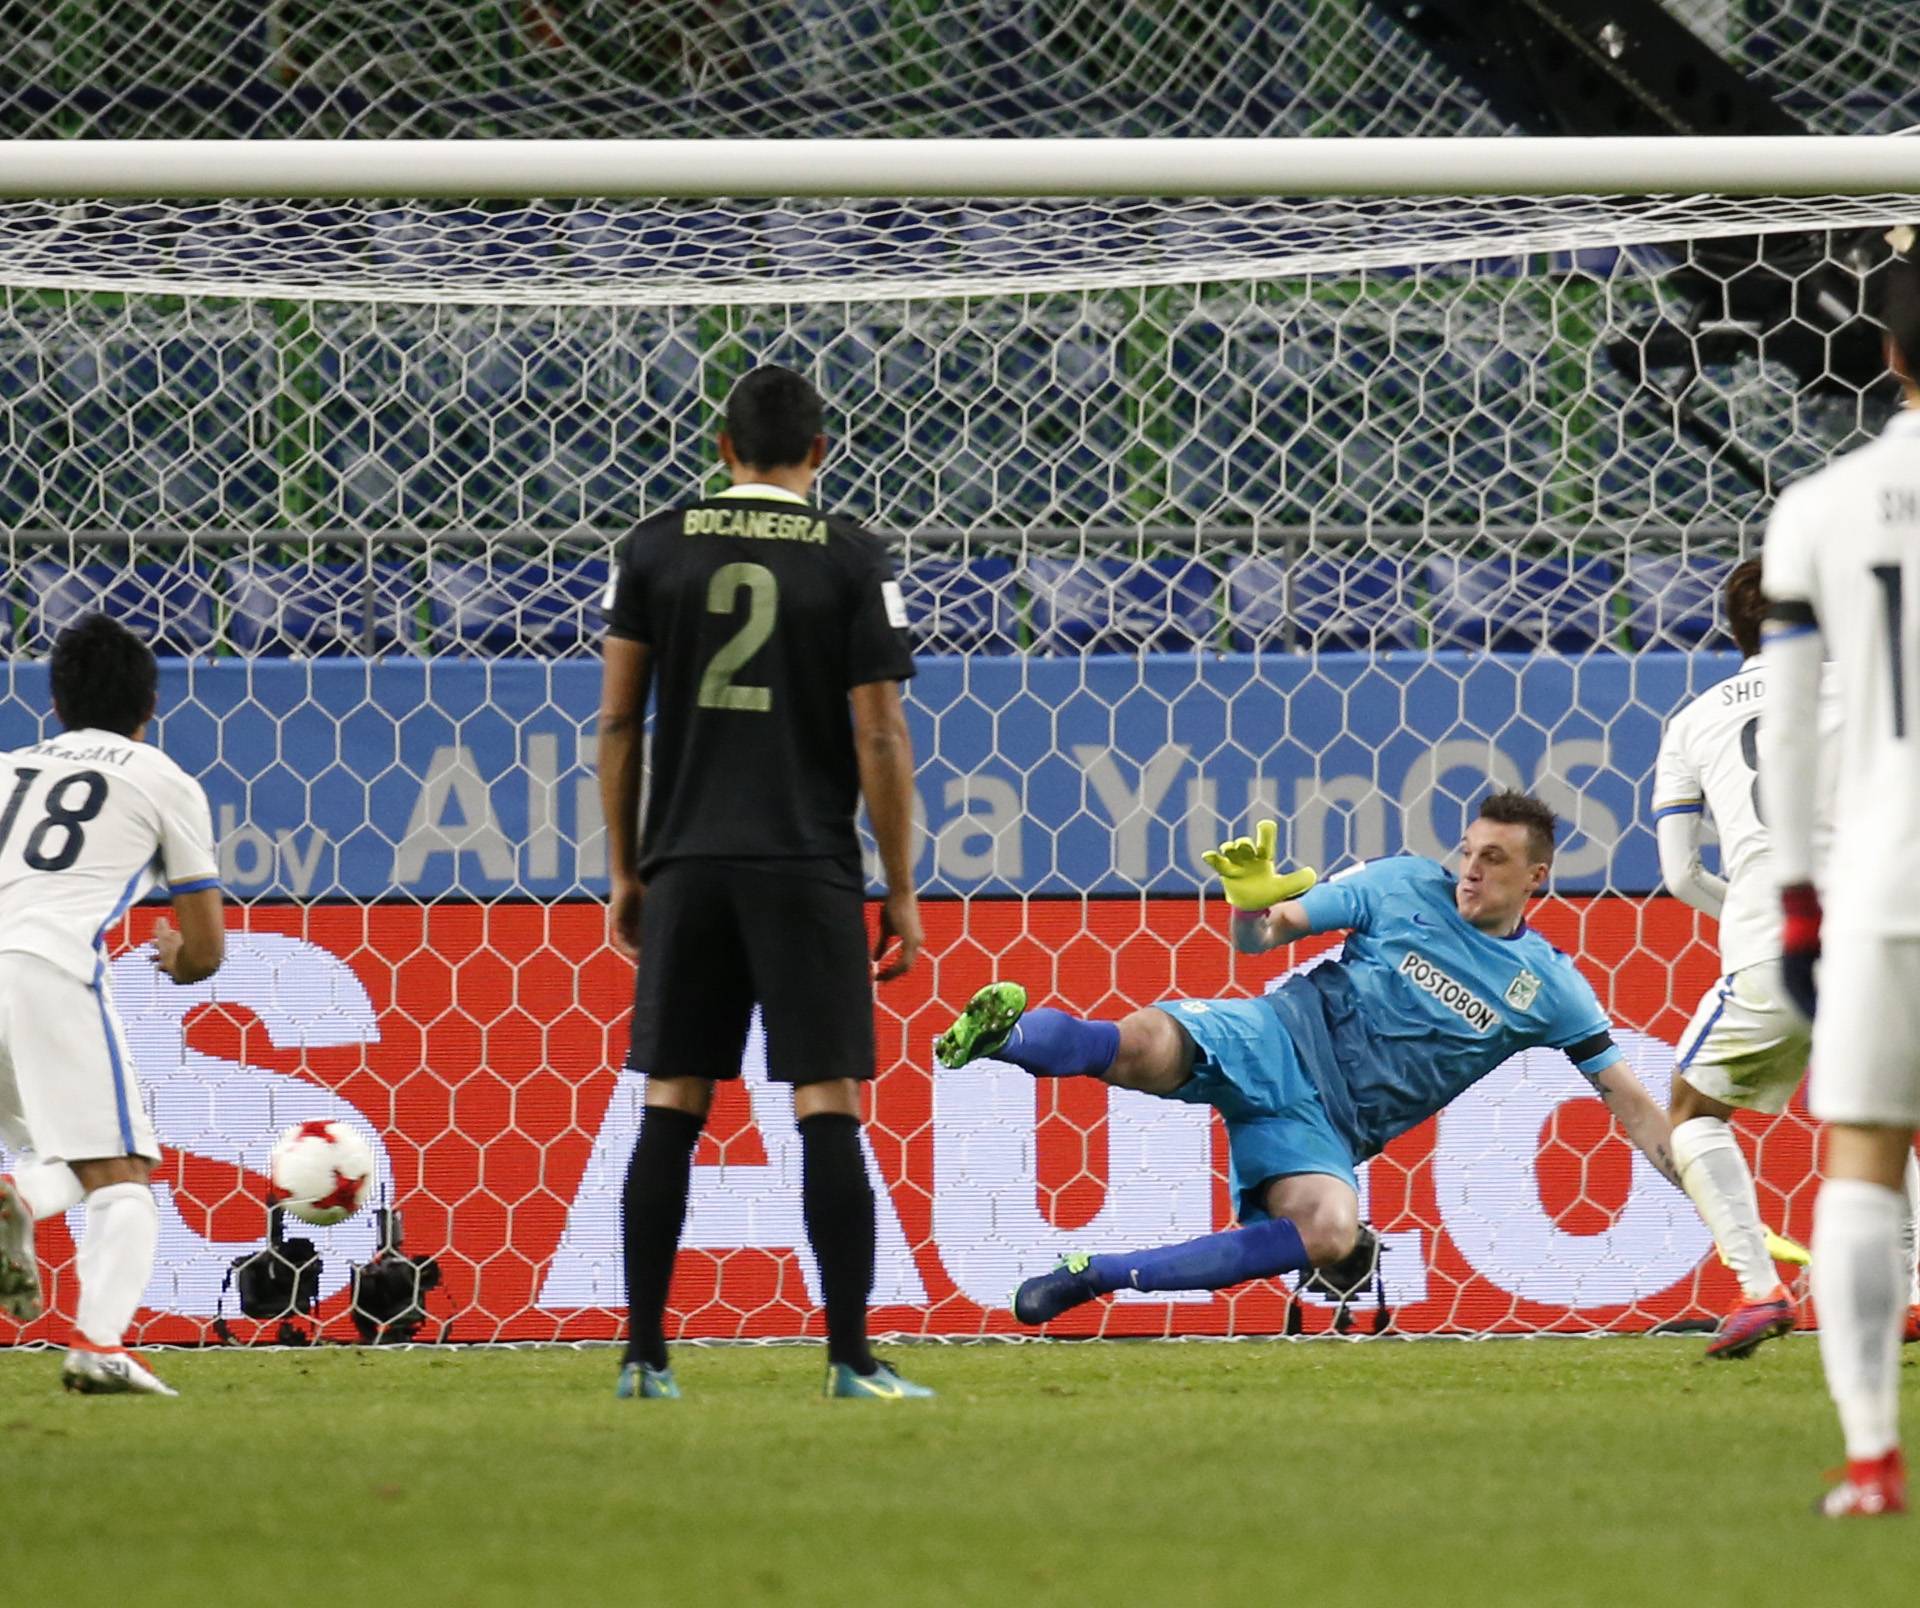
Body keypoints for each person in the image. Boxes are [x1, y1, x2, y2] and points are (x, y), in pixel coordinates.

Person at [936, 790, 1680, 1323]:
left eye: (1494, 859)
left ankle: (1090, 1277)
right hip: (1275, 1037)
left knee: (1330, 1231)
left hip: (1327, 1128)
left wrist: (1703, 1179)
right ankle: (1008, 1037)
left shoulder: (1551, 988)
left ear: (1536, 878)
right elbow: (1267, 936)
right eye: (1467, 852)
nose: (1471, 870)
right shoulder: (1400, 883)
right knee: (1144, 1043)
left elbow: (1630, 1103)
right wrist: (1250, 904)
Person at [599, 363, 930, 1401]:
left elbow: (617, 724)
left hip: (688, 860)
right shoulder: (852, 557)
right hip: (805, 864)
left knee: (673, 1101)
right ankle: (849, 1360)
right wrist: (902, 886)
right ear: (819, 455)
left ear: (721, 447)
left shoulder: (653, 546)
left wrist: (626, 866)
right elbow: (879, 730)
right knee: (826, 1101)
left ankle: (645, 1358)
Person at [1655, 558, 1920, 1359]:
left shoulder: (1694, 719)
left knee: (1694, 1113)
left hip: (1774, 948)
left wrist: (1747, 913)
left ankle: (1758, 1288)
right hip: (1880, 936)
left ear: (1733, 632)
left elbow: (1678, 874)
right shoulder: (1872, 693)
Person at [1759, 245, 1920, 1516]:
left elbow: (1794, 729)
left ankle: (1872, 1458)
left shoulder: (1818, 506)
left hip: (1881, 884)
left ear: (1886, 354)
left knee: (1862, 1157)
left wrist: (1799, 901)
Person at [0, 613, 224, 1395]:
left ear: (54, 706)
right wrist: (172, 956)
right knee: (125, 1170)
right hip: (48, 968)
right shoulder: (161, 777)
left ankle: (21, 1194)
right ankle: (97, 1345)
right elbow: (205, 952)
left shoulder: (7, 768)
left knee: (60, 1147)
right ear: (148, 707)